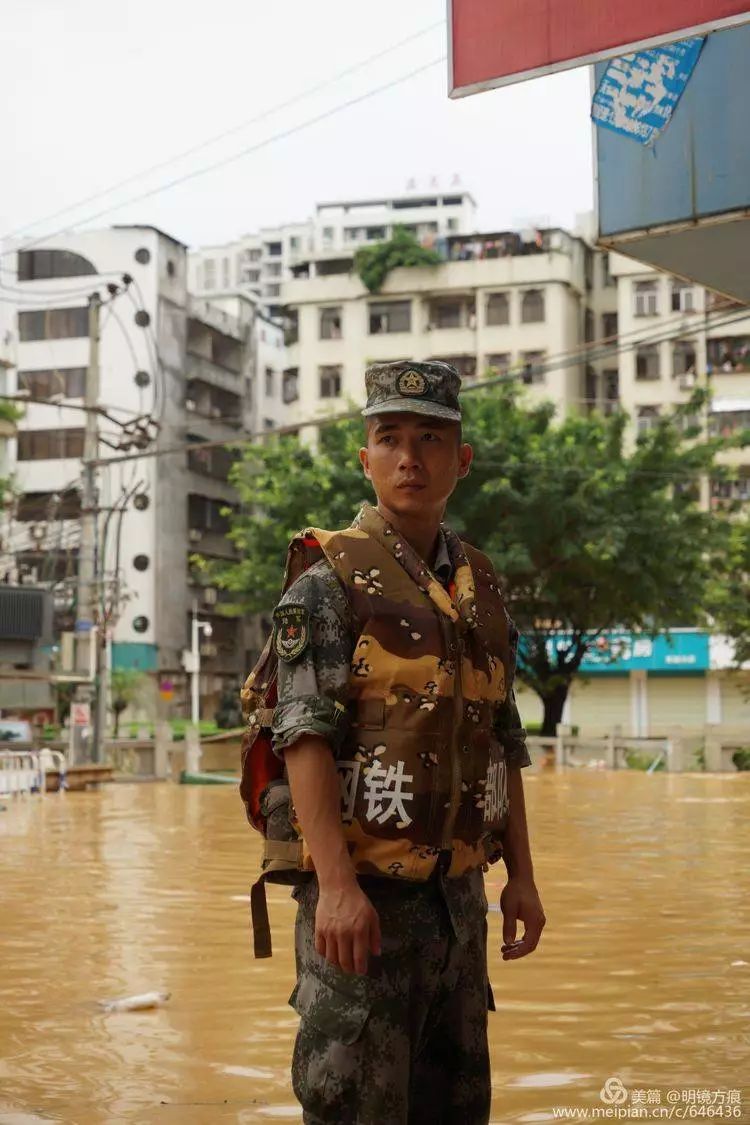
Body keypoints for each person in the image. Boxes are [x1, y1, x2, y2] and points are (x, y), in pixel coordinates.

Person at [269, 359, 546, 1124]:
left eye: (431, 439)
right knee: (357, 1105)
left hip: (460, 910)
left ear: (461, 460)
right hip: (363, 909)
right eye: (390, 438)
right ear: (365, 458)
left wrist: (520, 876)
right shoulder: (326, 584)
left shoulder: (481, 590)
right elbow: (302, 736)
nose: (409, 458)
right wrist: (335, 887)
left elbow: (502, 740)